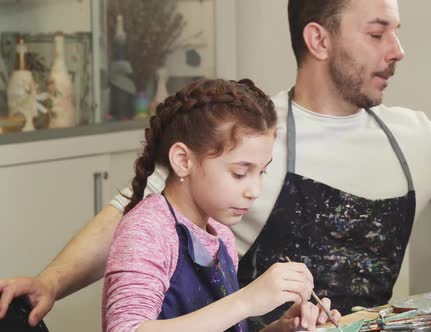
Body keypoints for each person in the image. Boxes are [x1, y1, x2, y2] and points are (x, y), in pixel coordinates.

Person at [0, 0, 431, 328]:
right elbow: (134, 218)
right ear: (319, 40)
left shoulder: (417, 139)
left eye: (396, 33)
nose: (397, 51)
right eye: (378, 33)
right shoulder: (247, 136)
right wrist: (50, 280)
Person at [101, 78, 339, 332]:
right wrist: (246, 301)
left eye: (262, 173)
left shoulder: (220, 235)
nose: (255, 191)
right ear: (183, 160)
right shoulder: (148, 230)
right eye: (239, 173)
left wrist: (282, 328)